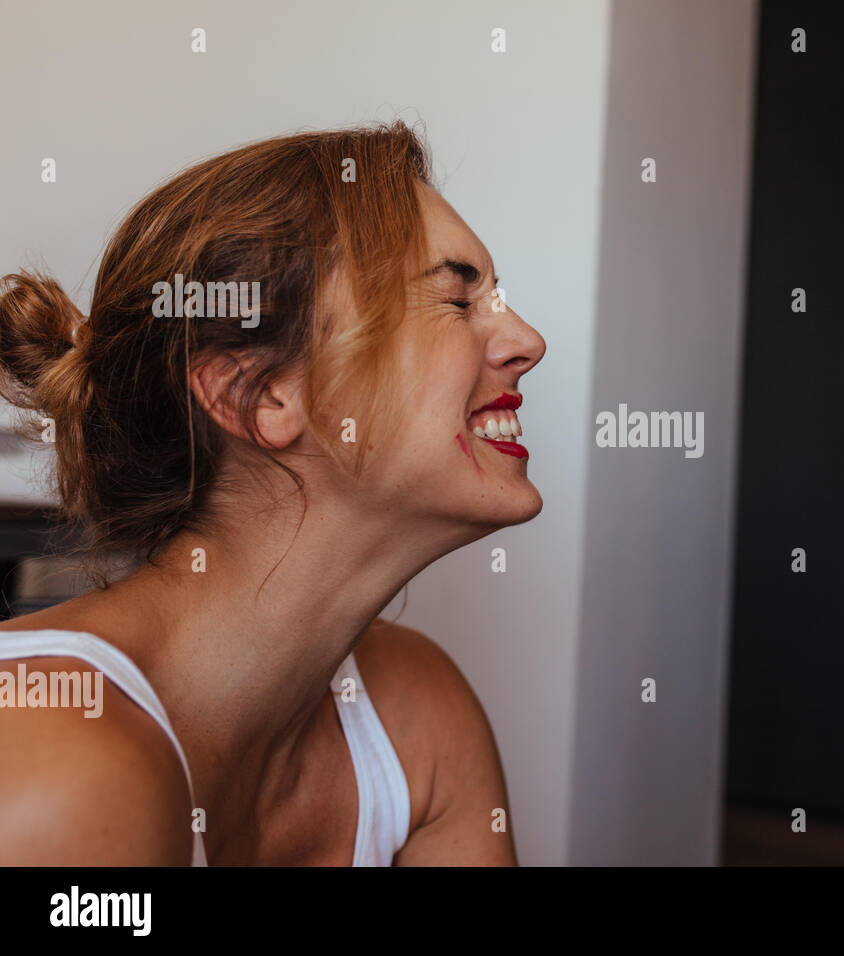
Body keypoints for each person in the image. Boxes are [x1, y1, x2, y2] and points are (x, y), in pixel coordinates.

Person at [0, 121, 545, 865]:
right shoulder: (53, 764)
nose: (527, 341)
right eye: (455, 301)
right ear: (259, 396)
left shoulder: (417, 715)